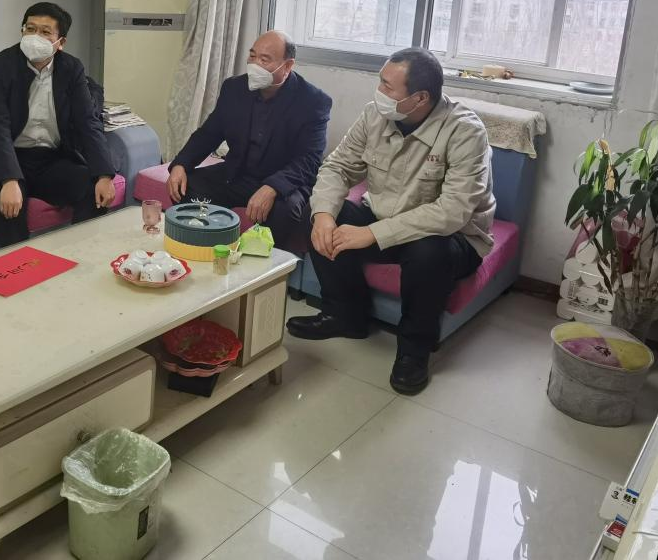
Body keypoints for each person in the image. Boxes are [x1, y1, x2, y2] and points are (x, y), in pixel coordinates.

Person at [287, 48, 496, 395]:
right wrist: (323, 216)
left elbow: (452, 212)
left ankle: (414, 350)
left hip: (452, 237)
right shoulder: (375, 115)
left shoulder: (465, 131)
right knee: (321, 212)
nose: (379, 91)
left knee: (429, 251)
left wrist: (371, 233)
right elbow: (338, 167)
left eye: (388, 86)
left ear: (420, 98)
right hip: (385, 216)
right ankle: (344, 315)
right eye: (380, 81)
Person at [0, 2, 116, 246]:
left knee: (93, 190)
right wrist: (9, 179)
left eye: (45, 32)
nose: (35, 37)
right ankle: (20, 266)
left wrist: (104, 174)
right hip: (7, 157)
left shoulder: (71, 69)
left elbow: (87, 122)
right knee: (7, 207)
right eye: (30, 29)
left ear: (61, 42)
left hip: (51, 159)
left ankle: (78, 256)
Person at [167, 30, 331, 247]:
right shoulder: (234, 88)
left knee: (285, 211)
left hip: (283, 181)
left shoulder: (312, 101)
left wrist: (272, 187)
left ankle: (267, 265)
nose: (254, 65)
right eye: (252, 56)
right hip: (238, 173)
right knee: (186, 186)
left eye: (264, 60)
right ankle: (206, 248)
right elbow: (209, 133)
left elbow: (309, 160)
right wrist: (180, 164)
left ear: (287, 66)